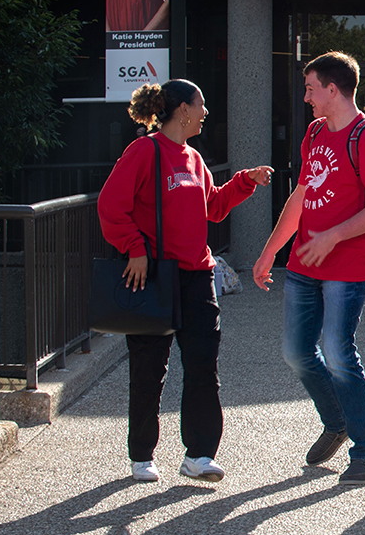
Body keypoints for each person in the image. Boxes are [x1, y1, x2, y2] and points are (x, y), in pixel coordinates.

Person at [98, 79, 272, 483]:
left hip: (197, 276)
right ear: (183, 111)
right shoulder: (144, 150)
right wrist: (135, 249)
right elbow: (111, 206)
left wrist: (245, 181)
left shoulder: (193, 157)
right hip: (155, 276)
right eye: (201, 104)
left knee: (202, 366)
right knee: (149, 369)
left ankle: (199, 455)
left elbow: (214, 207)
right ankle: (142, 455)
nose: (205, 112)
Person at [252, 51, 365, 486]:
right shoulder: (315, 132)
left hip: (347, 268)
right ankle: (337, 422)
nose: (306, 97)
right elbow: (301, 196)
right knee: (296, 352)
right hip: (303, 263)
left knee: (337, 352)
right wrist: (270, 251)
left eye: (311, 88)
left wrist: (333, 236)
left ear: (333, 90)